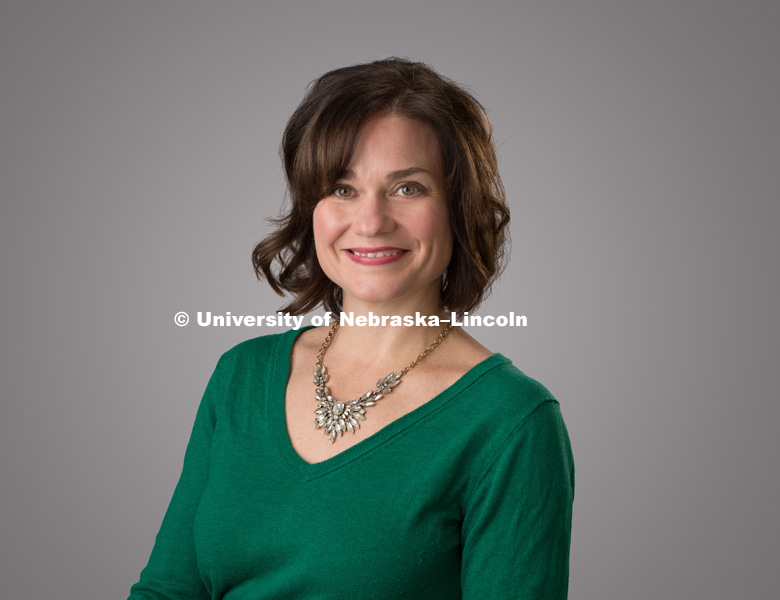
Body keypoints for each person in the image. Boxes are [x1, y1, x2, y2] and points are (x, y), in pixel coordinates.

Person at [128, 58, 574, 599]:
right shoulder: (240, 376)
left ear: (459, 208)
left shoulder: (510, 423)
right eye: (342, 188)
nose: (370, 222)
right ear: (310, 208)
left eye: (408, 188)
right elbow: (168, 589)